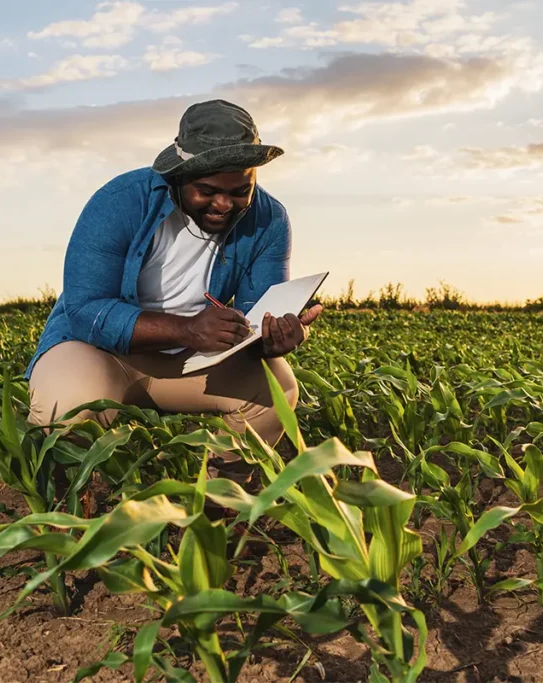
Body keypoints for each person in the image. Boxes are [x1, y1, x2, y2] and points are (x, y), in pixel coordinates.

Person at [24, 99, 323, 480]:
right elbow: (86, 311)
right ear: (179, 175)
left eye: (239, 191)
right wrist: (186, 328)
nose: (224, 205)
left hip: (191, 361)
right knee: (64, 412)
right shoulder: (119, 203)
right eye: (208, 190)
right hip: (97, 351)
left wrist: (278, 336)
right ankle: (68, 511)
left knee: (276, 391)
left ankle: (218, 511)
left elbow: (256, 317)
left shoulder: (269, 220)